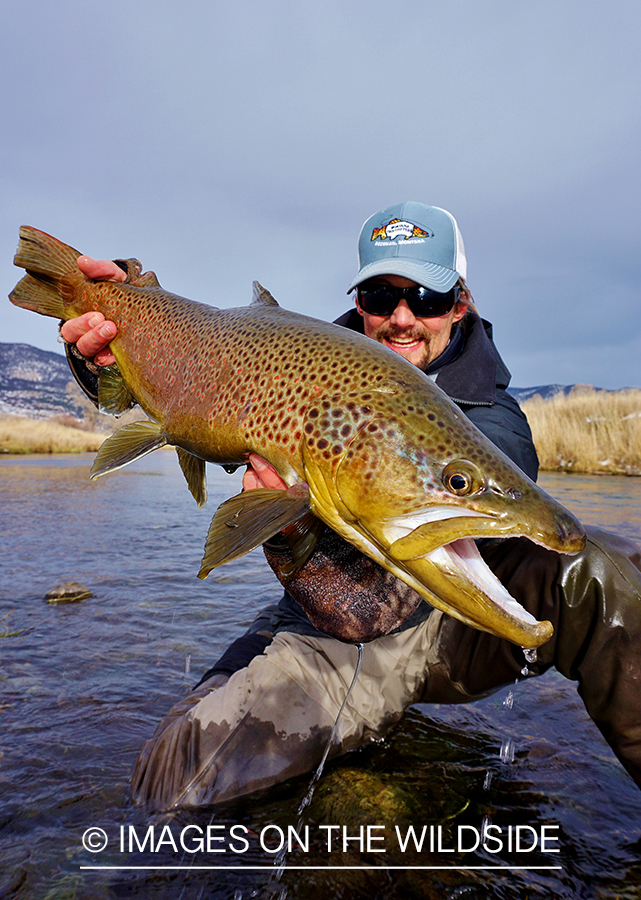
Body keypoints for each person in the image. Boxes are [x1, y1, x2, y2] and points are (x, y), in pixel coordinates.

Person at [61, 202, 641, 807]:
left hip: (451, 626)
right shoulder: (293, 367)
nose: (401, 317)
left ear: (460, 304)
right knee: (173, 779)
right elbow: (191, 381)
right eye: (378, 295)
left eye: (425, 297)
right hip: (329, 627)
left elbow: (375, 608)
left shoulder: (494, 423)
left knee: (608, 568)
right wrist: (122, 330)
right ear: (359, 300)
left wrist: (288, 533)